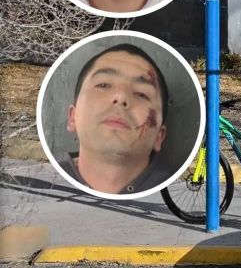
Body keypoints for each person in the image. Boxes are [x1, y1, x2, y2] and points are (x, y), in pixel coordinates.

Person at [57, 44, 171, 194]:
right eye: (103, 85)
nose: (121, 97)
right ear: (73, 117)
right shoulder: (46, 180)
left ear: (159, 137)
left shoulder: (171, 187)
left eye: (141, 94)